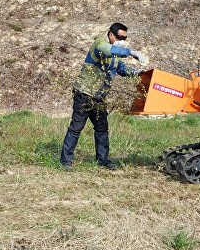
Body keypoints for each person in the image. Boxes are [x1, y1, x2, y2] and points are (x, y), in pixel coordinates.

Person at [60, 23, 147, 170]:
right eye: (120, 37)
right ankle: (65, 161)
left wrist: (137, 73)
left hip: (99, 97)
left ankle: (102, 160)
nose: (122, 40)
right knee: (76, 127)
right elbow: (107, 50)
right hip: (85, 93)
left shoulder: (115, 54)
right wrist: (130, 52)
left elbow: (120, 68)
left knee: (102, 128)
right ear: (111, 34)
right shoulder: (100, 44)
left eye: (125, 38)